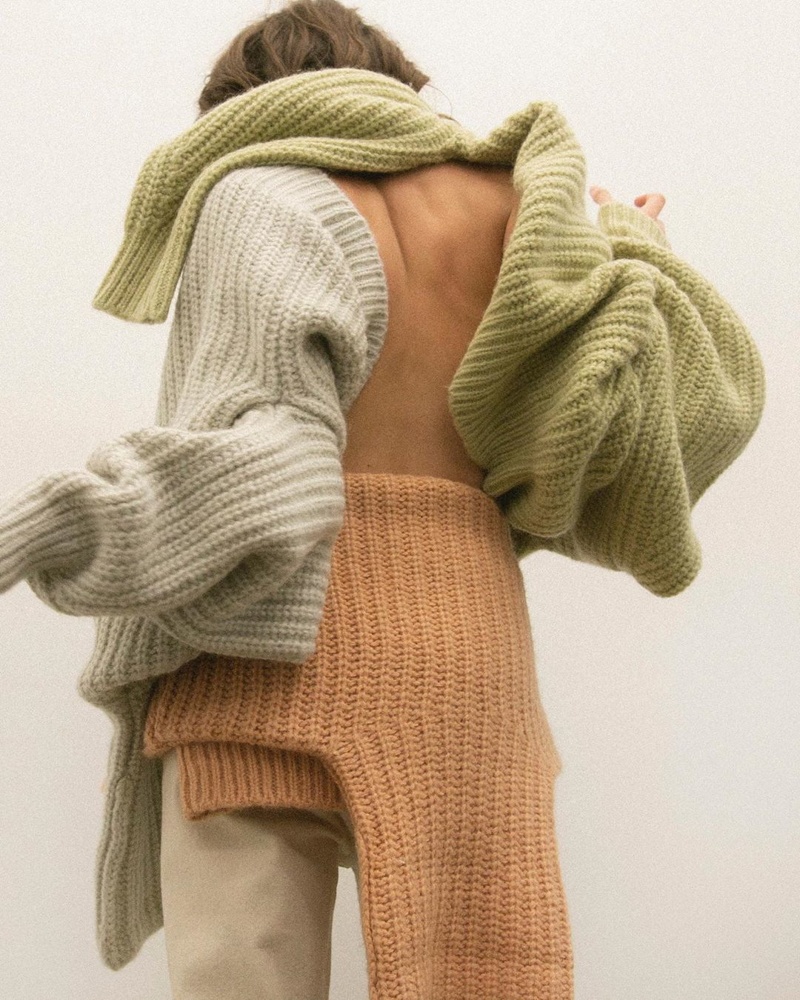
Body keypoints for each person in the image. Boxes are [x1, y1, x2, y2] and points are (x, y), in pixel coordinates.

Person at [0, 2, 765, 998]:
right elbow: (626, 438)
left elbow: (271, 457)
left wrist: (49, 526)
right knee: (484, 981)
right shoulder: (523, 211)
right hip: (466, 662)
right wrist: (633, 257)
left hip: (265, 664)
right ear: (399, 83)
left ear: (244, 101)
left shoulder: (258, 185)